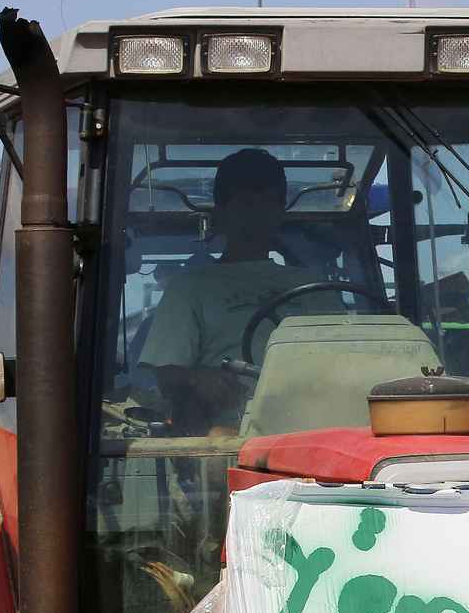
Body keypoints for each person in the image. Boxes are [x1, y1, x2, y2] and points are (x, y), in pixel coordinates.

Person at [139, 147, 341, 435]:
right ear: (221, 212)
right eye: (246, 203)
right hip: (226, 436)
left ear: (280, 211)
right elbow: (166, 374)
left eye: (267, 202)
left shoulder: (314, 286)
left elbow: (345, 359)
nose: (256, 214)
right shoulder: (191, 288)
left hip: (312, 430)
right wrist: (199, 379)